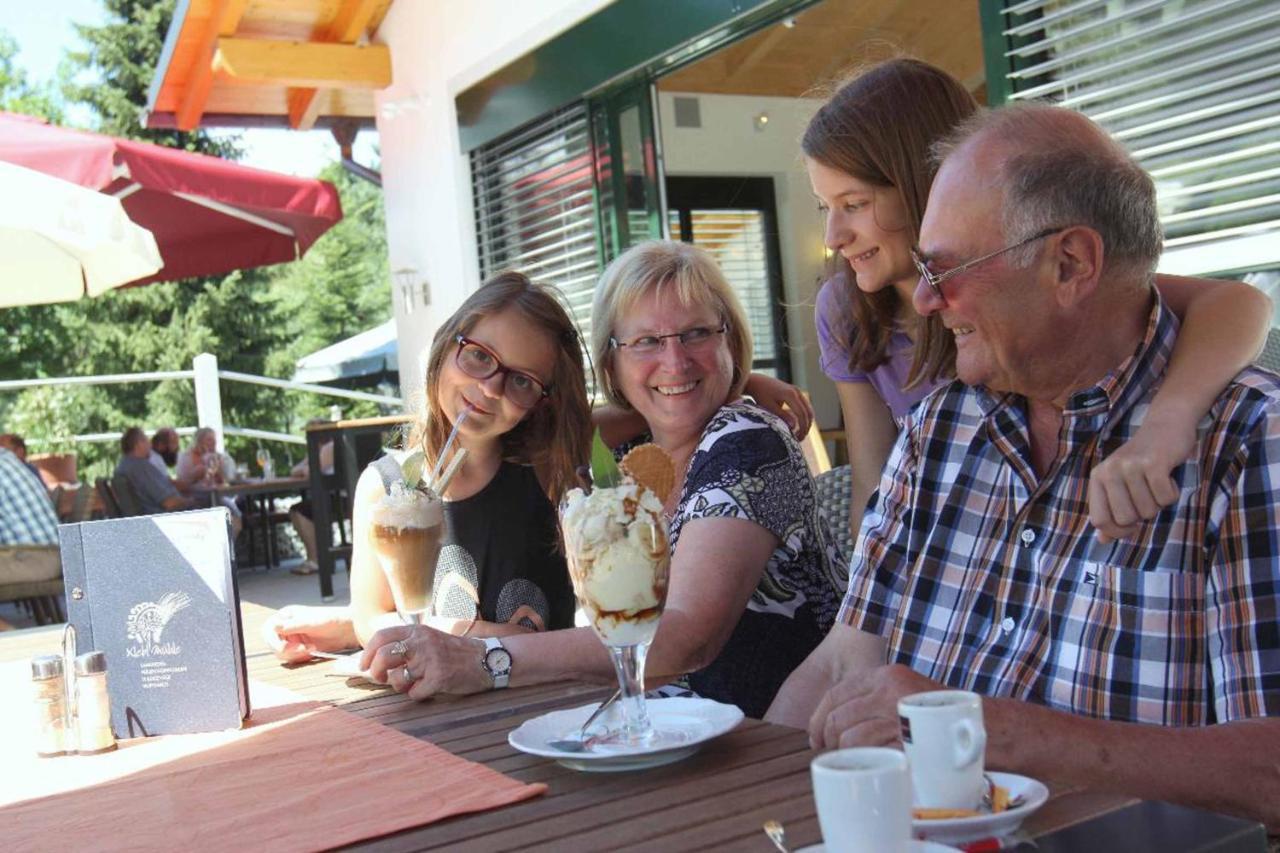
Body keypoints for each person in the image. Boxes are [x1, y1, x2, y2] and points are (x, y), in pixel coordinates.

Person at [768, 103, 1280, 829]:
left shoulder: (1248, 442)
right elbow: (846, 664)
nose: (923, 298)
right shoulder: (939, 431)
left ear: (1069, 265)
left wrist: (1005, 733)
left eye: (944, 269)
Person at [357, 242, 843, 719]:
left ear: (730, 342)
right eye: (647, 341)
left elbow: (688, 638)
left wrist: (488, 659)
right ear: (611, 362)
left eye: (697, 334)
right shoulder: (616, 461)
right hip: (646, 729)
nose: (674, 361)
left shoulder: (747, 441)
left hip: (764, 747)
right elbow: (580, 425)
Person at [807, 58, 1272, 540]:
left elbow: (1239, 303)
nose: (833, 234)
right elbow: (872, 476)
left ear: (929, 182)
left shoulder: (1045, 277)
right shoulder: (846, 308)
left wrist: (1166, 423)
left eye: (854, 204)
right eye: (826, 207)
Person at [114, 427, 198, 515]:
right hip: (163, 518)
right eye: (146, 440)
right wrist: (191, 501)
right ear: (139, 444)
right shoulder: (141, 467)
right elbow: (170, 502)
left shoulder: (123, 466)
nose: (150, 445)